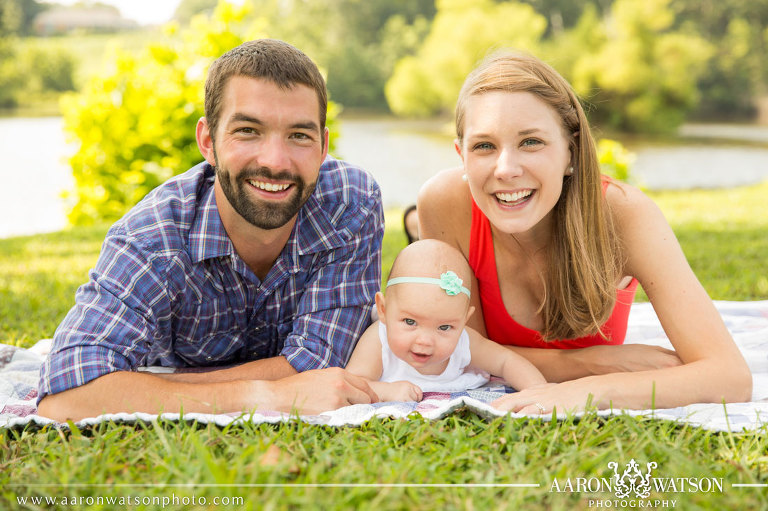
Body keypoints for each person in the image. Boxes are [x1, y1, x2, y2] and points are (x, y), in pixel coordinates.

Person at [37, 39, 384, 422]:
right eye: (248, 130)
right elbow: (67, 394)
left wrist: (137, 386)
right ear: (208, 141)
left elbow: (319, 360)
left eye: (299, 135)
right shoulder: (152, 238)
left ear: (323, 147)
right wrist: (265, 394)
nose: (275, 161)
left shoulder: (350, 205)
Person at [417, 50, 751, 415]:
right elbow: (458, 351)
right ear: (461, 155)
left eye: (531, 142)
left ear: (571, 150)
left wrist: (590, 392)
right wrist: (588, 364)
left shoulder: (624, 215)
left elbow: (729, 377)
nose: (506, 168)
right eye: (484, 146)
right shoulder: (443, 202)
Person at [346, 239, 547, 402]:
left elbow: (506, 361)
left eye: (444, 327)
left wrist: (539, 391)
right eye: (410, 322)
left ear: (463, 321)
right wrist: (385, 391)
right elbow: (352, 384)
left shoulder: (464, 342)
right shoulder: (379, 340)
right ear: (383, 309)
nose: (424, 340)